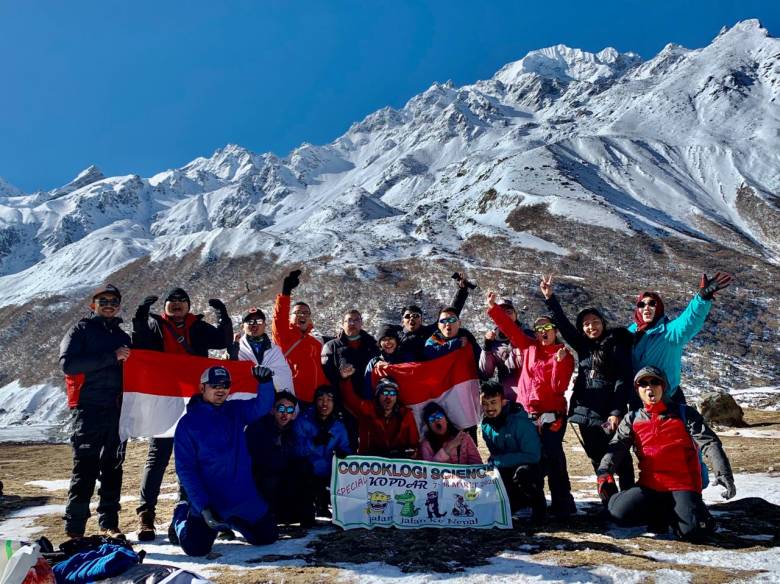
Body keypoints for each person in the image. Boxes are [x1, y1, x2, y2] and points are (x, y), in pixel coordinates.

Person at [132, 287, 232, 541]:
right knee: (158, 458)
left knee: (194, 459)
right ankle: (146, 515)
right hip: (163, 400)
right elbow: (139, 340)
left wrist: (222, 314)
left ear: (188, 305)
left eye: (182, 301)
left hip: (194, 402)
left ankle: (186, 510)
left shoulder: (197, 327)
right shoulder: (156, 326)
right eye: (172, 301)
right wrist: (142, 313)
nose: (177, 305)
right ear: (164, 307)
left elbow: (223, 340)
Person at [597, 367, 736, 540]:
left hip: (683, 485)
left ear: (663, 386)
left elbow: (710, 443)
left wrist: (723, 473)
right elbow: (616, 447)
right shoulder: (632, 418)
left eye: (655, 382)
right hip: (650, 486)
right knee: (618, 514)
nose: (649, 388)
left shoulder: (685, 414)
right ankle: (662, 512)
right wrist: (604, 472)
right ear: (637, 390)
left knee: (692, 533)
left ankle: (694, 513)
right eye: (643, 383)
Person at [486, 290, 577, 519]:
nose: (542, 333)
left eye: (547, 329)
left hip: (552, 413)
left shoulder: (563, 354)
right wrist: (493, 308)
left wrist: (558, 363)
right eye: (539, 330)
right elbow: (510, 330)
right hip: (528, 413)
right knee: (532, 457)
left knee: (553, 456)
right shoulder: (529, 347)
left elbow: (558, 387)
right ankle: (535, 501)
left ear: (555, 331)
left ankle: (563, 504)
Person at [539, 275, 635, 490]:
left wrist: (617, 411)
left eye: (595, 322)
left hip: (607, 411)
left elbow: (623, 379)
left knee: (620, 458)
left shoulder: (616, 345)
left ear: (603, 323)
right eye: (586, 324)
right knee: (596, 457)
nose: (591, 327)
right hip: (585, 410)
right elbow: (562, 324)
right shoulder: (583, 347)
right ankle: (609, 501)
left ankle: (630, 500)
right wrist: (550, 298)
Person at [172, 365, 277, 556]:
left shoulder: (235, 410)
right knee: (196, 549)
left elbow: (262, 406)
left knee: (267, 537)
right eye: (214, 385)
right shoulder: (188, 424)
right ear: (202, 388)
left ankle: (234, 521)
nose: (220, 389)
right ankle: (180, 515)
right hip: (210, 501)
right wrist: (203, 507)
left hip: (243, 497)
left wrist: (265, 382)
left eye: (225, 385)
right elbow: (185, 469)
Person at [59, 284, 131, 539]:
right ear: (93, 305)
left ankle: (109, 524)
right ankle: (75, 529)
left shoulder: (124, 337)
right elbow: (69, 364)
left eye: (114, 301)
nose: (109, 304)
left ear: (119, 306)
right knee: (85, 469)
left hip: (116, 411)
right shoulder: (80, 330)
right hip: (87, 409)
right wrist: (112, 357)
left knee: (113, 468)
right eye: (103, 301)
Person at [628, 272, 732, 404]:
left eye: (652, 304)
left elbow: (689, 320)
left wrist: (702, 298)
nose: (646, 307)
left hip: (667, 400)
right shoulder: (628, 334)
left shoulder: (670, 332)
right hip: (637, 399)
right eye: (642, 305)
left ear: (658, 307)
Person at [245, 391, 315, 526]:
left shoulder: (292, 430)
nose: (285, 414)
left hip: (280, 474)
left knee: (304, 467)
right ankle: (267, 517)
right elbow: (260, 460)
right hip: (258, 478)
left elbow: (295, 455)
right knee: (270, 480)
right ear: (272, 410)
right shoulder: (258, 427)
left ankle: (305, 517)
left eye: (289, 410)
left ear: (294, 415)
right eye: (281, 408)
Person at [479, 381, 546, 522]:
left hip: (532, 464)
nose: (489, 408)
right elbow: (495, 454)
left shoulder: (519, 422)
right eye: (485, 403)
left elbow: (533, 455)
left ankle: (538, 508)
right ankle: (516, 505)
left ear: (503, 402)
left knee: (524, 474)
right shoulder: (485, 426)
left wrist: (499, 461)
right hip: (508, 465)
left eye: (493, 402)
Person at [271, 270, 327, 406]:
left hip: (316, 401)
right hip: (293, 398)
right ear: (290, 317)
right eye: (297, 312)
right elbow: (279, 319)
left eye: (305, 313)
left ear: (310, 318)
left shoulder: (315, 343)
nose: (302, 315)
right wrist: (285, 293)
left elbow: (321, 371)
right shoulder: (284, 336)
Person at [295, 385, 352, 517]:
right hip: (307, 471)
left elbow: (346, 448)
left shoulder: (338, 425)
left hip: (328, 471)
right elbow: (295, 450)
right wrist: (314, 442)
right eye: (320, 399)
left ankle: (325, 504)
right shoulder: (303, 420)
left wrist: (343, 453)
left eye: (329, 399)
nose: (324, 403)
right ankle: (306, 506)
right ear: (315, 401)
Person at [339, 369, 419, 457]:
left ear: (396, 397)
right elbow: (350, 400)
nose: (388, 396)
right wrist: (345, 379)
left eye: (392, 393)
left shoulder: (406, 415)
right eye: (385, 392)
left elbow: (414, 445)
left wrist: (413, 454)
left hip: (398, 464)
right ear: (378, 395)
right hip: (369, 463)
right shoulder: (367, 410)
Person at [397, 273, 473, 361]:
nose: (412, 318)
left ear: (421, 319)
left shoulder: (430, 333)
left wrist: (462, 290)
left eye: (415, 315)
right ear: (402, 321)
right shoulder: (396, 337)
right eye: (407, 316)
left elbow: (449, 315)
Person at [228, 307, 294, 393]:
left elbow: (284, 377)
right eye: (250, 322)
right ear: (242, 326)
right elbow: (229, 374)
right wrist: (231, 357)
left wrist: (268, 374)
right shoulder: (235, 348)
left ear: (265, 325)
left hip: (272, 399)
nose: (254, 324)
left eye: (259, 321)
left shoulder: (275, 350)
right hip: (245, 399)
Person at [479, 297, 525, 402]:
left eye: (509, 312)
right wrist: (487, 346)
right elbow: (486, 372)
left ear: (515, 315)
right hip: (508, 398)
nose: (505, 315)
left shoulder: (529, 336)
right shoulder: (493, 340)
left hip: (532, 394)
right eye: (501, 312)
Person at [363, 324, 404, 398]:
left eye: (391, 338)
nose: (387, 342)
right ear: (380, 344)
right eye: (384, 339)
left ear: (396, 341)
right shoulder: (374, 362)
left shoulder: (406, 358)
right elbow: (367, 387)